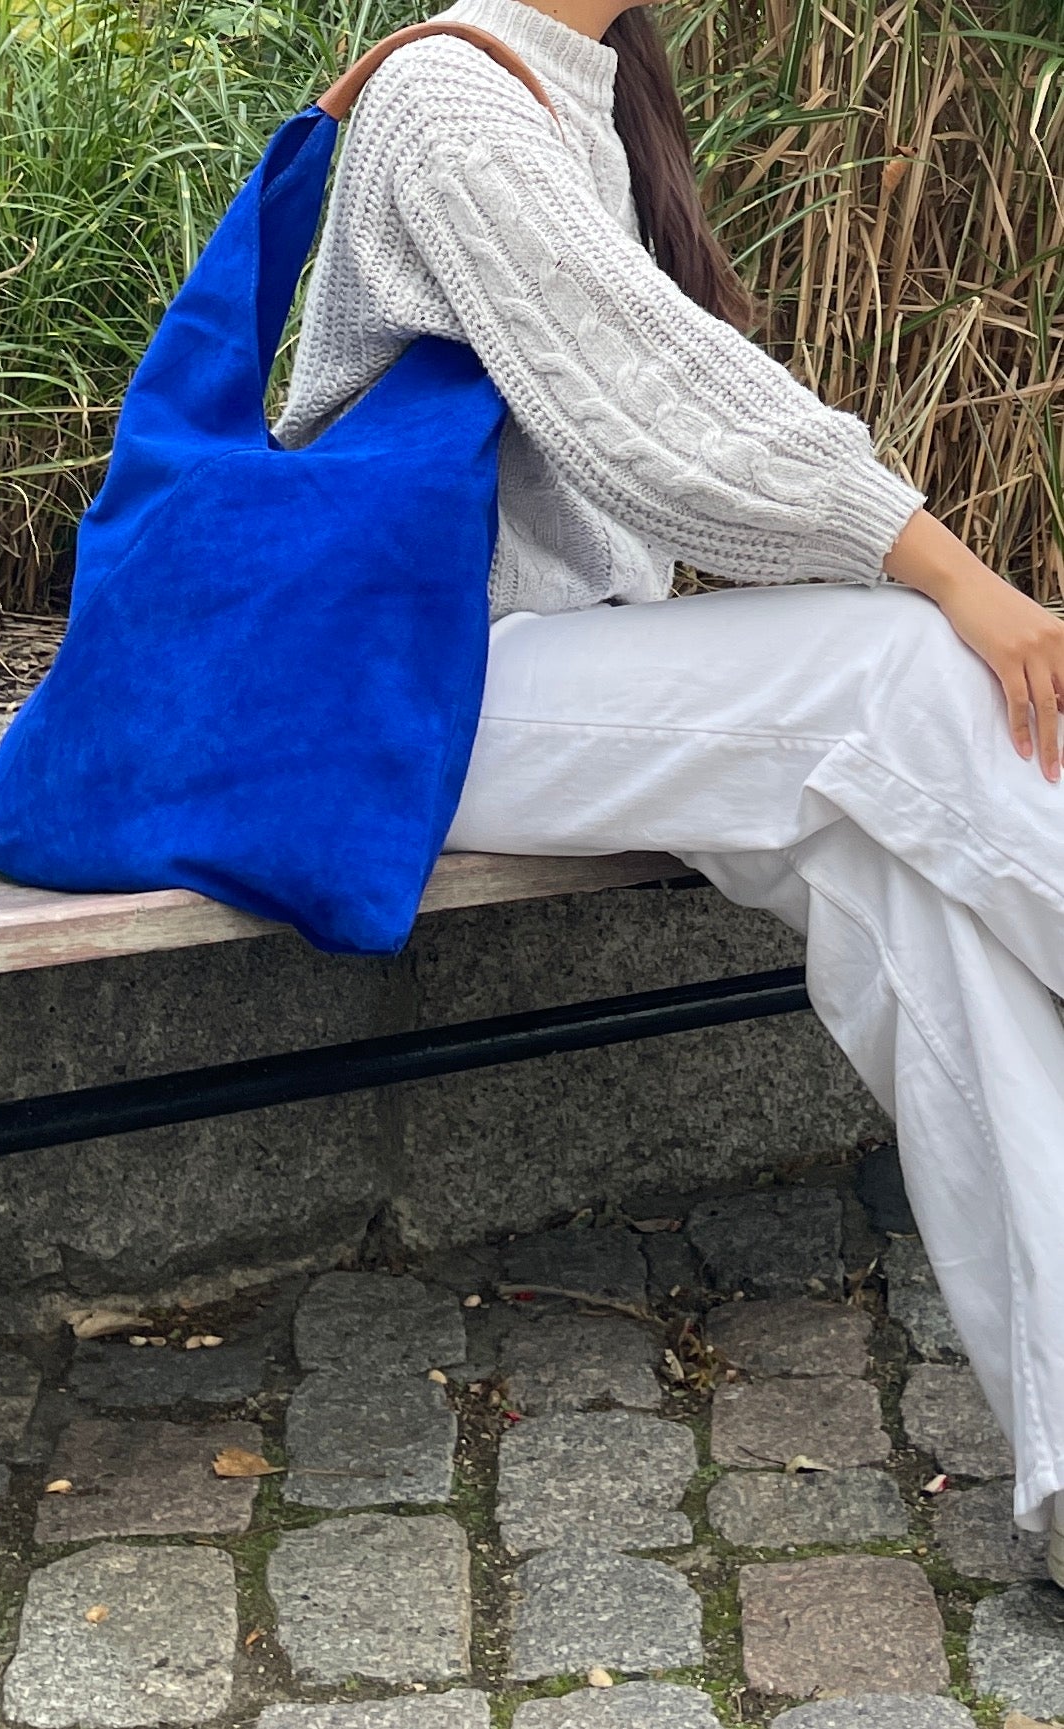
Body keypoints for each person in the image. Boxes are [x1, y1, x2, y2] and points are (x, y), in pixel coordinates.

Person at [272, 0, 1064, 1572]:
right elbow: (655, 410)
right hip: (408, 698)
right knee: (894, 668)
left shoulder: (582, 93)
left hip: (535, 677)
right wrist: (951, 572)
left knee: (910, 894)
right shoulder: (446, 98)